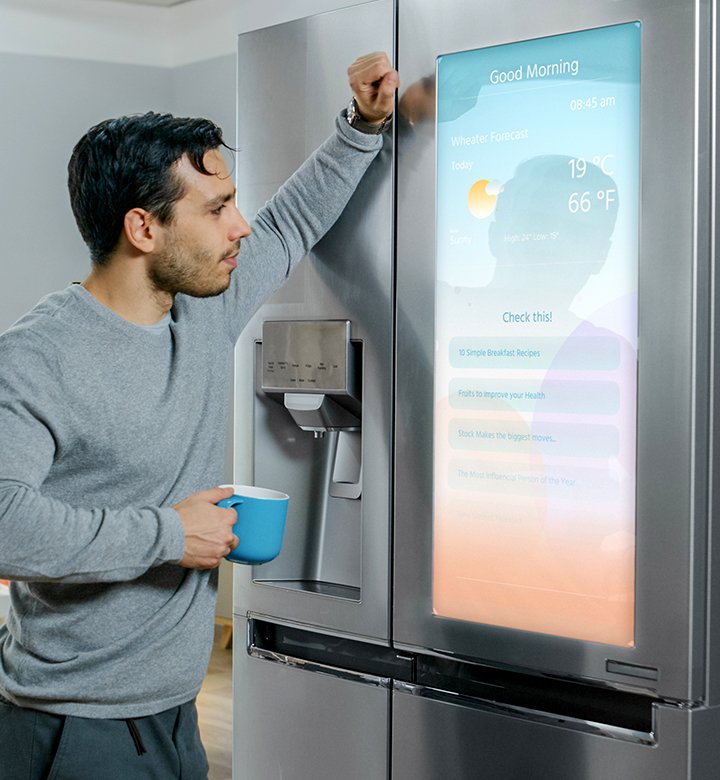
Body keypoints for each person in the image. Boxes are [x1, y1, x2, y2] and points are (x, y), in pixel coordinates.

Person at [0, 51, 398, 778]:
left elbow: (291, 224)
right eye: (215, 210)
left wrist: (363, 125)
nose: (239, 226)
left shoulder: (198, 315)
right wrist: (170, 533)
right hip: (73, 731)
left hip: (174, 720)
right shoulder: (35, 357)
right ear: (143, 230)